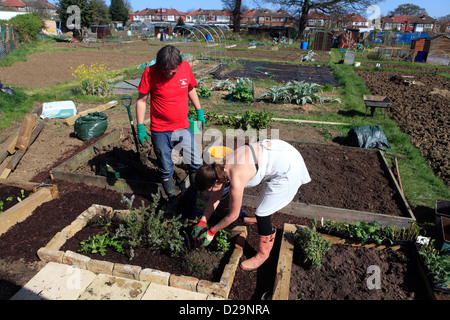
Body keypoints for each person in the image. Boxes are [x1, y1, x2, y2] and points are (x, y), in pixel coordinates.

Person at [192, 139, 311, 271]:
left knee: (262, 214)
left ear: (215, 181)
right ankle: (260, 219)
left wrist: (211, 231)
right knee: (266, 204)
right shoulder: (219, 167)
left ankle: (263, 254)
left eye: (210, 189)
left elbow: (233, 215)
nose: (211, 193)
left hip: (288, 167)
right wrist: (202, 221)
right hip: (279, 151)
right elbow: (216, 197)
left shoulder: (235, 177)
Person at [136, 45, 205, 212]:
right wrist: (140, 127)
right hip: (160, 130)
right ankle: (172, 199)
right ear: (159, 65)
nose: (169, 74)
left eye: (173, 71)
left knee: (196, 163)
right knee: (165, 167)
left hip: (183, 127)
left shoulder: (185, 68)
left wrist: (199, 111)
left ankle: (192, 197)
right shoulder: (149, 72)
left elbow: (191, 89)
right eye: (165, 70)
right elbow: (141, 101)